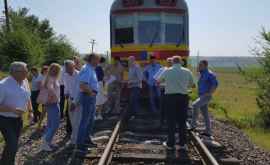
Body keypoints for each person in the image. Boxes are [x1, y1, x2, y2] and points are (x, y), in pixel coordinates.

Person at [158, 56, 195, 150]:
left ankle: (170, 143)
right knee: (182, 121)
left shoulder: (167, 71)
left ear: (173, 62)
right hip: (183, 97)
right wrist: (183, 85)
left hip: (170, 98)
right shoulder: (187, 71)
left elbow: (158, 81)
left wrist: (167, 84)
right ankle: (182, 144)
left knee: (171, 121)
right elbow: (192, 85)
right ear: (181, 62)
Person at [0, 62, 33, 165]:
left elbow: (28, 97)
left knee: (13, 144)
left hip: (18, 119)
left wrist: (30, 111)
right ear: (15, 72)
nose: (27, 73)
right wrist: (12, 109)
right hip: (5, 119)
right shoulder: (3, 85)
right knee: (12, 144)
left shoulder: (25, 81)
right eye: (25, 71)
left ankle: (9, 161)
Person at [76, 53, 100, 153]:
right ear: (92, 59)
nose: (98, 62)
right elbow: (82, 85)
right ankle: (80, 144)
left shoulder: (91, 69)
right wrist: (91, 93)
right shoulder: (87, 69)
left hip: (91, 96)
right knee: (85, 121)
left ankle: (86, 139)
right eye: (97, 59)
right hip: (88, 96)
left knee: (90, 120)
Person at [191, 60, 218, 137]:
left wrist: (209, 92)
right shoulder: (201, 73)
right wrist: (198, 70)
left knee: (195, 105)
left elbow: (215, 84)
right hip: (201, 95)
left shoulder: (210, 74)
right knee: (205, 114)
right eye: (199, 65)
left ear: (206, 66)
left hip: (206, 96)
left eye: (201, 65)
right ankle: (208, 131)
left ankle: (193, 125)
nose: (199, 66)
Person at [40, 63, 62, 152]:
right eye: (55, 69)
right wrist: (56, 97)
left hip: (51, 103)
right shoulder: (50, 78)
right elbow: (50, 88)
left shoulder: (49, 77)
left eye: (57, 70)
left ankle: (47, 141)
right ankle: (45, 143)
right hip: (53, 103)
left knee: (50, 124)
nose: (56, 71)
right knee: (55, 125)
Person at [62, 60, 80, 147]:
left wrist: (74, 102)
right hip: (70, 99)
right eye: (66, 68)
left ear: (73, 67)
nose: (67, 70)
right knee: (72, 119)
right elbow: (66, 86)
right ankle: (75, 137)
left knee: (77, 120)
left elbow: (78, 90)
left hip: (77, 101)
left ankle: (75, 140)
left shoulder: (79, 75)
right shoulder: (65, 75)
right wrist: (66, 93)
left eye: (69, 68)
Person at [154, 58, 173, 126]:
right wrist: (160, 85)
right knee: (162, 106)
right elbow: (156, 80)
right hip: (164, 90)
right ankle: (162, 121)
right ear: (166, 62)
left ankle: (169, 121)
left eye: (171, 62)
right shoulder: (162, 69)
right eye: (168, 62)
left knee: (170, 107)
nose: (169, 63)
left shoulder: (174, 70)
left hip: (172, 91)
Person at [37, 66, 49, 130]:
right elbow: (39, 87)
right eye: (45, 70)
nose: (46, 71)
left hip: (48, 95)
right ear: (43, 71)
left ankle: (46, 123)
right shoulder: (40, 76)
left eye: (47, 70)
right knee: (44, 110)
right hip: (44, 95)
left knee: (48, 111)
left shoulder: (48, 76)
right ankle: (40, 124)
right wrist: (45, 87)